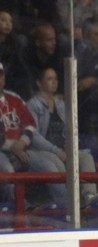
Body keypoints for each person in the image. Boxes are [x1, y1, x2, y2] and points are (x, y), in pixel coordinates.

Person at [27, 67, 98, 205]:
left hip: (61, 149)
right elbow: (34, 136)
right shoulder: (33, 105)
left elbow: (69, 130)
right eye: (49, 79)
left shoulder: (60, 104)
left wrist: (69, 148)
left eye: (55, 79)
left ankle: (89, 196)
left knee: (86, 158)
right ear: (39, 83)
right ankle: (67, 204)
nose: (54, 82)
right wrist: (57, 151)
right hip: (41, 151)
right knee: (58, 164)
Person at [0, 62, 67, 205]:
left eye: (1, 75)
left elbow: (30, 124)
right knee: (8, 171)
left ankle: (65, 207)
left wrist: (22, 142)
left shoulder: (14, 98)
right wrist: (13, 146)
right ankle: (20, 209)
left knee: (49, 167)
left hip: (21, 149)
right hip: (3, 152)